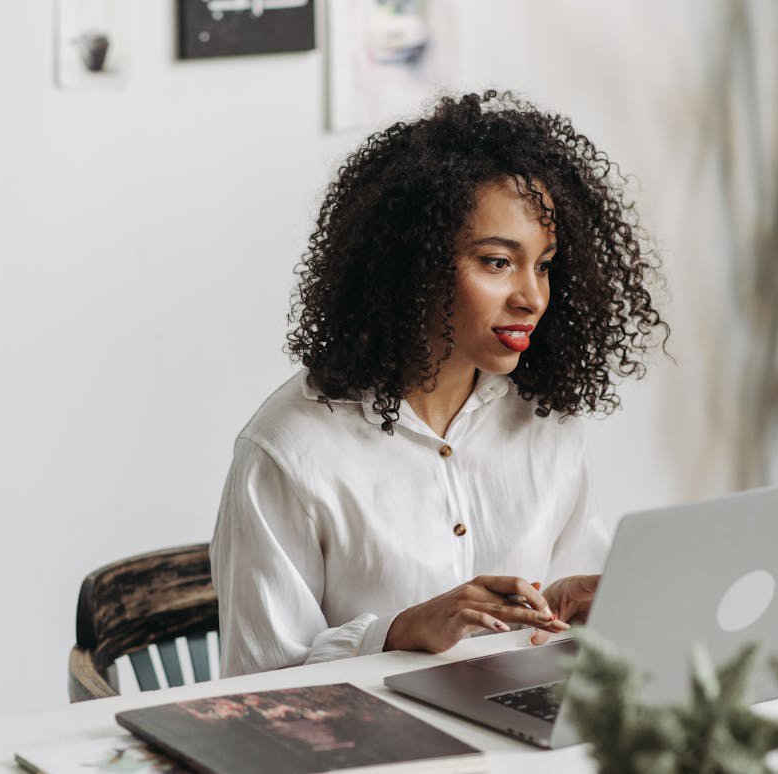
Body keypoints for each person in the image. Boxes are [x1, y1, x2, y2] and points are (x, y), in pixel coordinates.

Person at [211, 91, 667, 677]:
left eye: (544, 265)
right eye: (498, 262)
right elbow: (259, 686)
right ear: (414, 264)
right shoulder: (289, 452)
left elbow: (559, 632)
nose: (532, 297)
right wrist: (398, 632)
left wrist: (561, 605)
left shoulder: (543, 420)